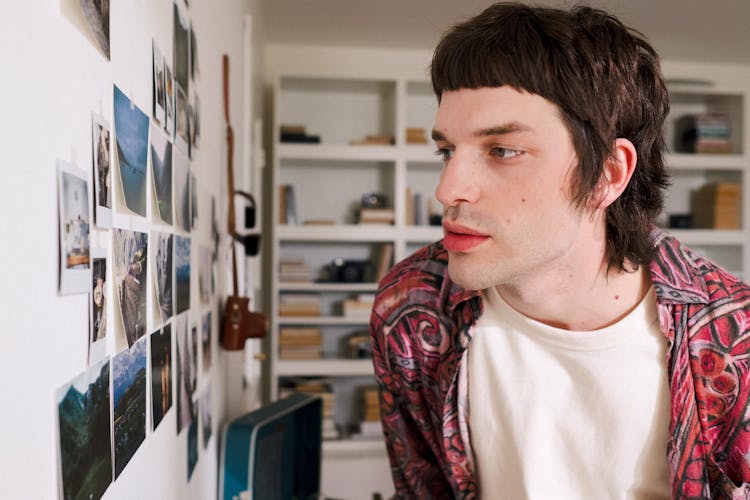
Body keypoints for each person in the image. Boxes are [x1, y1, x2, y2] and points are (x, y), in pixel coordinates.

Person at [369, 3, 750, 499]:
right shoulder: (410, 309)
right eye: (447, 151)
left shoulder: (736, 336)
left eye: (502, 150)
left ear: (608, 175)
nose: (448, 189)